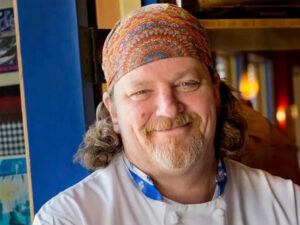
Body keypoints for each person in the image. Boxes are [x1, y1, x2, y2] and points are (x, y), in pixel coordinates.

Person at [33, 4, 300, 225]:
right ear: (113, 111)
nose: (169, 107)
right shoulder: (68, 218)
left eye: (187, 84)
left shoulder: (289, 205)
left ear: (216, 94)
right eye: (141, 92)